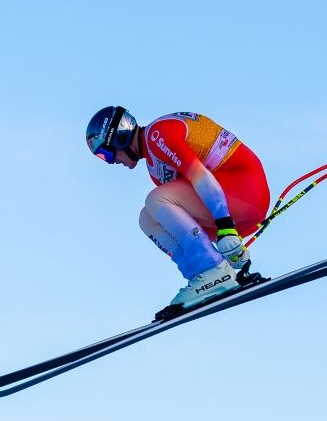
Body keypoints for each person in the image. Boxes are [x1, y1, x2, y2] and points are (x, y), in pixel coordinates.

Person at [84, 106, 271, 315]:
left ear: (119, 136)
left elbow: (201, 177)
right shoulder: (155, 166)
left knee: (156, 199)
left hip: (244, 189)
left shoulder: (158, 135)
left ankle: (213, 269)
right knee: (148, 219)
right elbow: (186, 219)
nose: (111, 162)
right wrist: (227, 245)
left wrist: (226, 228)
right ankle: (201, 275)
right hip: (229, 201)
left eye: (105, 154)